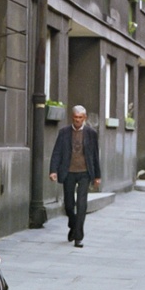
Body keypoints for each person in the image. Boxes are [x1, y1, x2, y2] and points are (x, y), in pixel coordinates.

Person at [49, 105, 101, 247]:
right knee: (69, 205)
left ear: (84, 118)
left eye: (80, 118)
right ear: (72, 117)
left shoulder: (91, 133)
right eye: (75, 117)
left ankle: (78, 237)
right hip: (68, 172)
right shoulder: (64, 132)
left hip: (85, 172)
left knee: (82, 204)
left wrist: (97, 175)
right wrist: (53, 170)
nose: (78, 120)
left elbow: (95, 155)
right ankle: (73, 225)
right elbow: (57, 152)